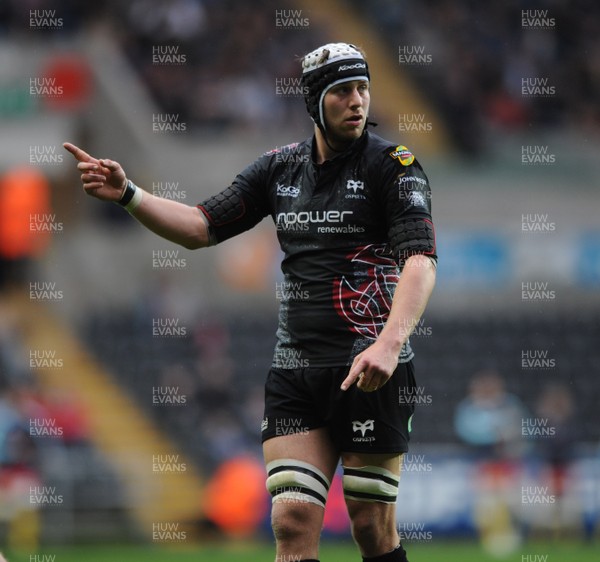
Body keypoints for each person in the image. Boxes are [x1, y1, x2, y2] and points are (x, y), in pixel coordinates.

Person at [64, 42, 437, 562]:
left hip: (370, 370)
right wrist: (130, 194)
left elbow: (420, 259)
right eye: (342, 91)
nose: (357, 101)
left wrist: (390, 345)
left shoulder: (394, 165)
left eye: (363, 89)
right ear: (314, 101)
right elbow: (201, 226)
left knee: (371, 525)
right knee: (291, 520)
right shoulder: (278, 169)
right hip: (295, 374)